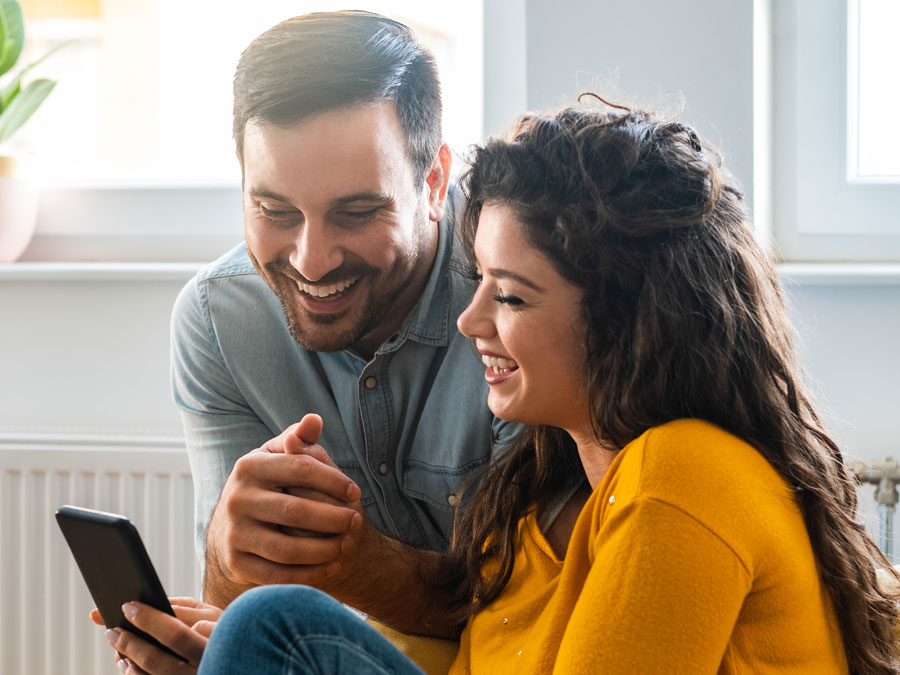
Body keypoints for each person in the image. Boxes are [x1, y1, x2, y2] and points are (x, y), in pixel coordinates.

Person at [186, 99, 897, 673]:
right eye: (480, 284)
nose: (470, 320)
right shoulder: (530, 509)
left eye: (513, 298)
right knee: (276, 625)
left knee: (269, 627)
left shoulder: (683, 472)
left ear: (625, 320)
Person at [92, 9, 520, 675]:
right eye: (275, 211)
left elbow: (543, 611)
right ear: (241, 174)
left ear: (433, 183)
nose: (312, 261)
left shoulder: (518, 292)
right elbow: (240, 605)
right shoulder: (217, 320)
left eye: (356, 212)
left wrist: (360, 567)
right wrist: (222, 582)